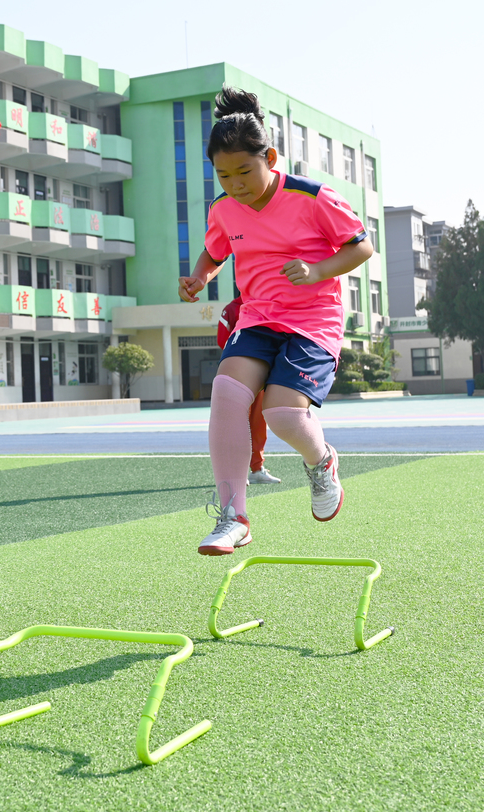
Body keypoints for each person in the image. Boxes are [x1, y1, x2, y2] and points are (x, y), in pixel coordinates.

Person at [182, 86, 374, 556]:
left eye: (245, 171)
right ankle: (234, 517)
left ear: (269, 156)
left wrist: (318, 270)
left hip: (313, 320)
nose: (236, 185)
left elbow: (362, 246)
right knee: (227, 392)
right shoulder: (224, 209)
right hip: (258, 316)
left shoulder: (312, 198)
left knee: (283, 414)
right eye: (224, 176)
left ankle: (321, 461)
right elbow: (214, 252)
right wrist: (198, 277)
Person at [217, 295, 281, 486]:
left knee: (259, 424)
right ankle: (236, 471)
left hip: (262, 375)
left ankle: (257, 468)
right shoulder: (231, 310)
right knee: (237, 424)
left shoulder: (267, 304)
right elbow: (223, 341)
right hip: (239, 376)